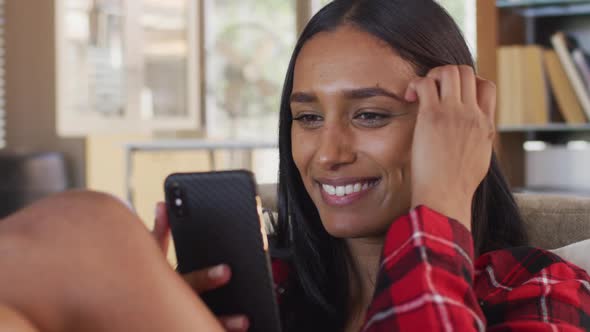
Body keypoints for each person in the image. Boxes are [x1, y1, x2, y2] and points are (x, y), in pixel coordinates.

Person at [153, 0, 589, 331]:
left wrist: (440, 203)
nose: (327, 154)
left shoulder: (540, 290)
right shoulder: (263, 290)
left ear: (458, 127)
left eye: (370, 115)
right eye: (308, 118)